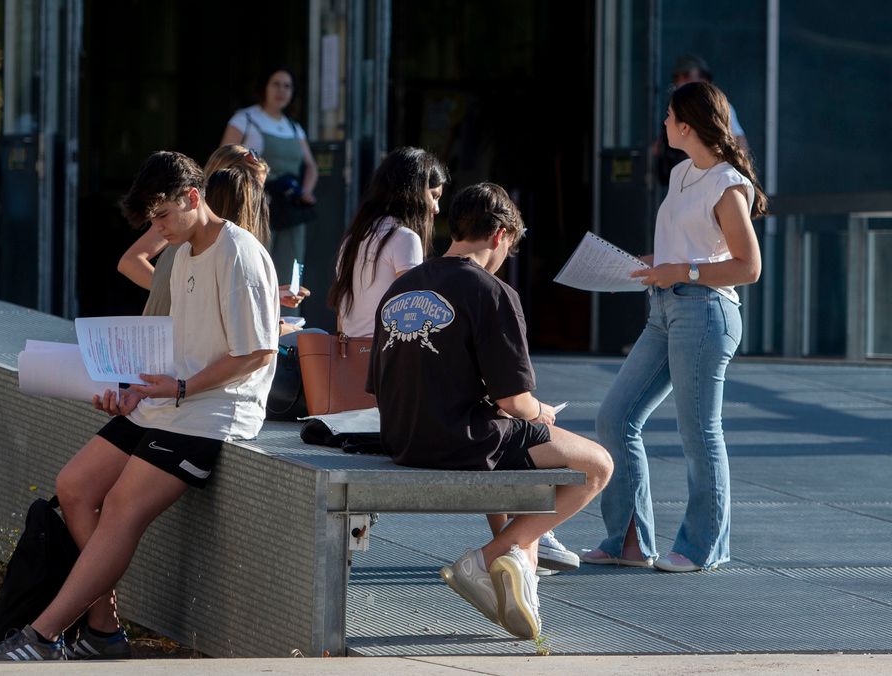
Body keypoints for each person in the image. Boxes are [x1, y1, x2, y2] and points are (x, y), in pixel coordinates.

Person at [0, 151, 279, 661]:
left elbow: (258, 352)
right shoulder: (182, 254)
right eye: (152, 220)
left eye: (162, 217)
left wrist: (179, 388)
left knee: (118, 507)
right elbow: (182, 343)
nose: (157, 230)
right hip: (169, 400)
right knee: (73, 486)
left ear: (193, 198)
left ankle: (42, 637)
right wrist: (135, 388)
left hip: (215, 410)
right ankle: (104, 629)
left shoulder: (240, 254)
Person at [367, 183, 613, 639]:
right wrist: (541, 411)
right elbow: (514, 403)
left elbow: (378, 384)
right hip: (458, 439)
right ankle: (488, 558)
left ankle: (521, 564)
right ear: (500, 235)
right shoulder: (492, 292)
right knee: (595, 464)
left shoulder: (403, 284)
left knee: (520, 450)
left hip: (401, 437)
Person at [584, 81, 766, 574]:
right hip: (665, 309)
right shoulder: (681, 172)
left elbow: (748, 267)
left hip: (706, 314)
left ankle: (703, 547)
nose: (662, 123)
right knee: (614, 418)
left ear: (688, 125)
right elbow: (690, 247)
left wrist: (681, 272)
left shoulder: (728, 183)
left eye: (668, 116)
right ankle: (629, 542)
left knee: (699, 432)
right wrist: (653, 263)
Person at [117, 144, 308, 325]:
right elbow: (130, 261)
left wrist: (262, 293)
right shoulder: (182, 225)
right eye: (254, 189)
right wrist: (178, 288)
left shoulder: (212, 235)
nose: (257, 201)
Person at [327, 147, 448, 337]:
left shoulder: (353, 238)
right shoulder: (405, 238)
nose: (436, 208)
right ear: (414, 191)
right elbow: (412, 314)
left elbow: (342, 317)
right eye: (434, 196)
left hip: (351, 354)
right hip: (385, 356)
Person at [220, 67, 319, 285]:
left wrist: (306, 191)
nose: (281, 90)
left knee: (291, 268)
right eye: (276, 84)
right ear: (264, 87)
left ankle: (288, 318)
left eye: (287, 86)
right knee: (256, 263)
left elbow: (311, 166)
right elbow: (223, 158)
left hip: (290, 206)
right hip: (256, 204)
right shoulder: (245, 118)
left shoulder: (293, 127)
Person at [654, 54, 749, 186]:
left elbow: (740, 143)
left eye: (686, 75)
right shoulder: (676, 109)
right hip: (679, 181)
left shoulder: (715, 108)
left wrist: (727, 174)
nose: (680, 82)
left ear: (704, 79)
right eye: (677, 77)